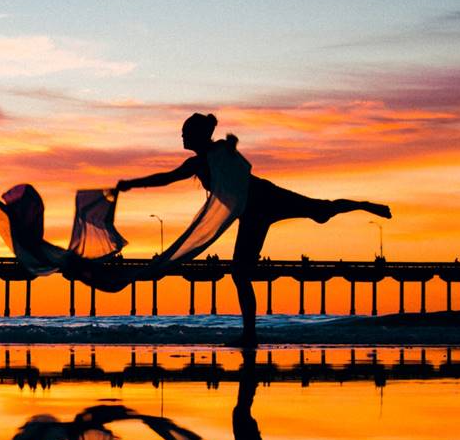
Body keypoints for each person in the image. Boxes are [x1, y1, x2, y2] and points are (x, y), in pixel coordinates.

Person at [116, 113, 392, 346]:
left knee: (322, 210)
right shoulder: (196, 163)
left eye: (185, 133)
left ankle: (364, 205)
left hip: (265, 197)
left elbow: (229, 155)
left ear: (198, 135)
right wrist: (133, 184)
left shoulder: (216, 151)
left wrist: (231, 146)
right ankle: (250, 334)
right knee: (240, 271)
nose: (181, 138)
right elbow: (166, 178)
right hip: (252, 214)